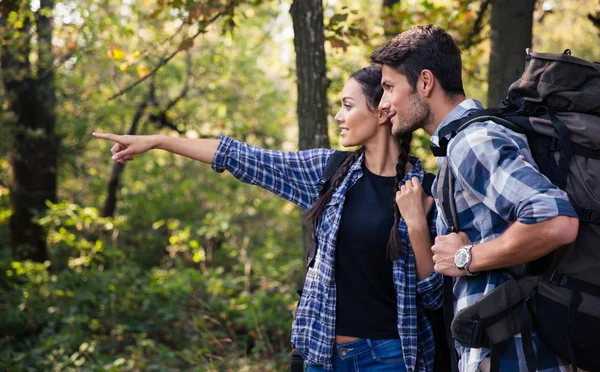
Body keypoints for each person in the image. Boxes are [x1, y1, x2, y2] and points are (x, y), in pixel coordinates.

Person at [93, 66, 443, 372]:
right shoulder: (329, 173)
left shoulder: (426, 190)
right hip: (321, 354)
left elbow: (434, 296)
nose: (338, 115)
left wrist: (415, 226)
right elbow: (240, 157)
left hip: (390, 358)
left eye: (347, 105)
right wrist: (156, 141)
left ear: (382, 112)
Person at [371, 24, 580, 372]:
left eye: (390, 88)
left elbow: (556, 220)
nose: (383, 103)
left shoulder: (473, 141)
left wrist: (467, 256)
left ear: (425, 82)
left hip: (513, 354)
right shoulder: (458, 146)